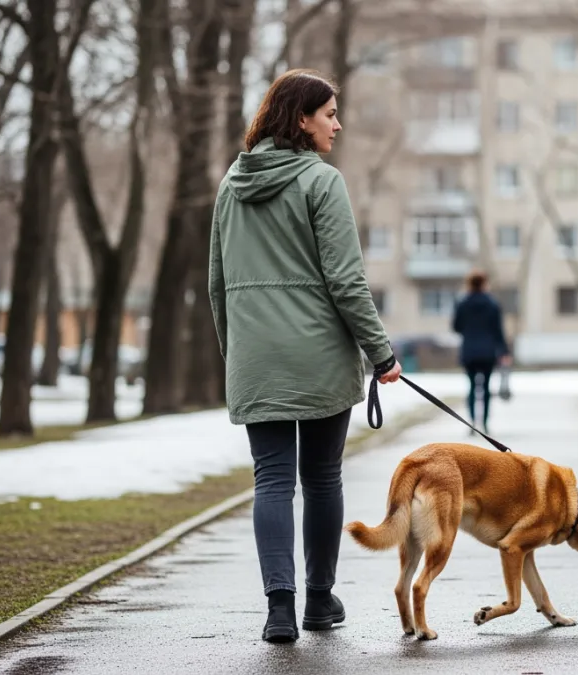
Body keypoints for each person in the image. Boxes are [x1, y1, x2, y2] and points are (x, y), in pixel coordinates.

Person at [208, 68, 401, 644]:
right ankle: (319, 601)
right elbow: (346, 282)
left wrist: (234, 352)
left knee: (271, 481)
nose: (337, 126)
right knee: (320, 478)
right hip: (318, 353)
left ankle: (279, 609)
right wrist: (381, 353)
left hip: (256, 357)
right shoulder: (322, 182)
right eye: (330, 115)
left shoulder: (230, 185)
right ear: (302, 119)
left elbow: (217, 283)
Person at [451, 271, 509, 434]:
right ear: (484, 283)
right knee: (485, 387)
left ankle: (471, 423)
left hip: (469, 351)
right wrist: (504, 351)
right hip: (488, 351)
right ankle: (484, 423)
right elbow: (498, 331)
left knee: (470, 387)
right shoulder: (492, 304)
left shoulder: (462, 303)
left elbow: (456, 327)